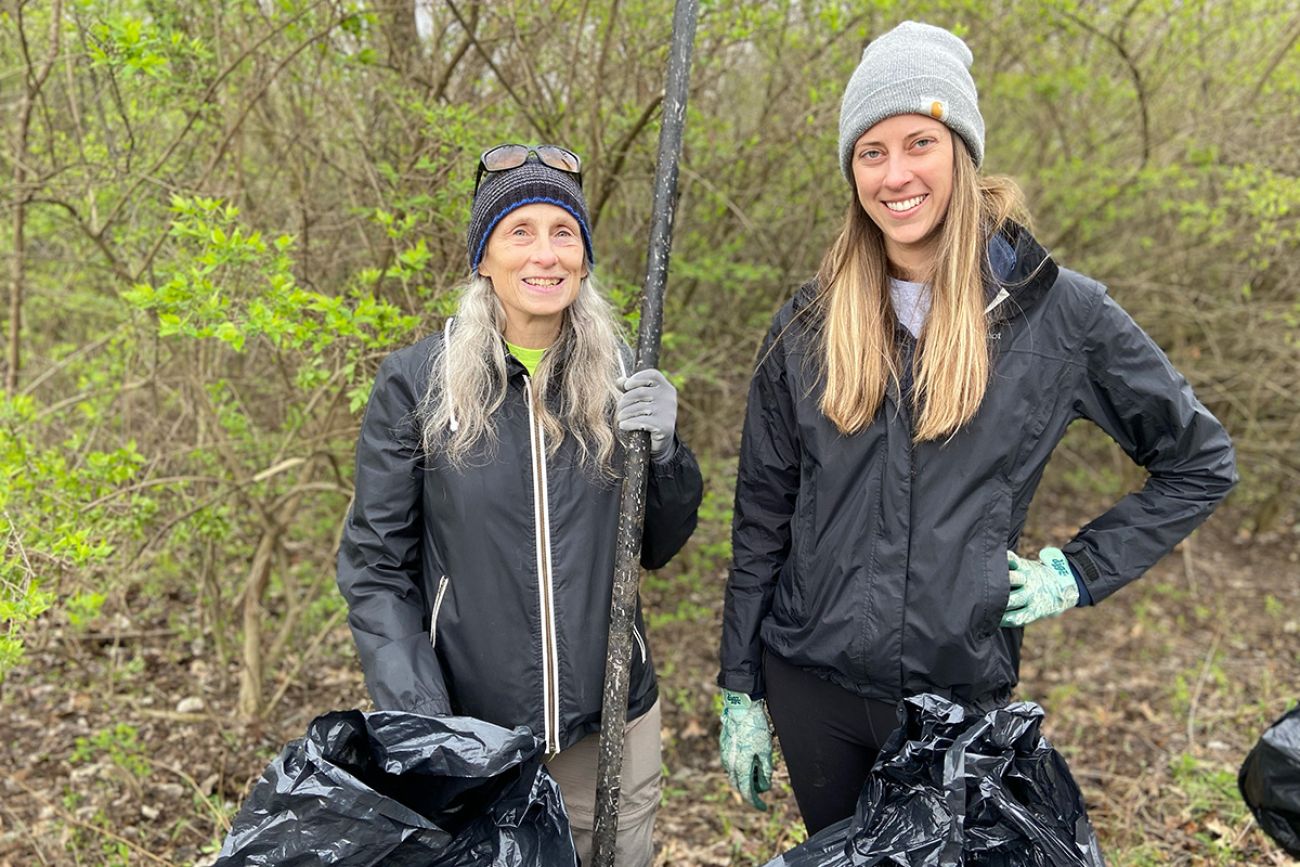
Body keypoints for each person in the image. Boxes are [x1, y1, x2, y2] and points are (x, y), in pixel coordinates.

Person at [717, 22, 1237, 836]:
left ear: (961, 149)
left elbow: (1200, 460)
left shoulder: (1059, 314)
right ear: (852, 169)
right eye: (871, 151)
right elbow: (762, 517)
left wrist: (1076, 572)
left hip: (953, 698)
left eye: (918, 141)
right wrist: (739, 683)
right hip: (809, 688)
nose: (896, 174)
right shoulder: (807, 323)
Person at [337, 144, 703, 866]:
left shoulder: (620, 372)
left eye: (563, 232)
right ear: (484, 257)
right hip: (478, 734)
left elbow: (656, 543)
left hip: (613, 724)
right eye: (520, 231)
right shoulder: (419, 385)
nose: (546, 254)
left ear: (585, 255)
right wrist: (428, 721)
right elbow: (376, 570)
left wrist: (665, 453)